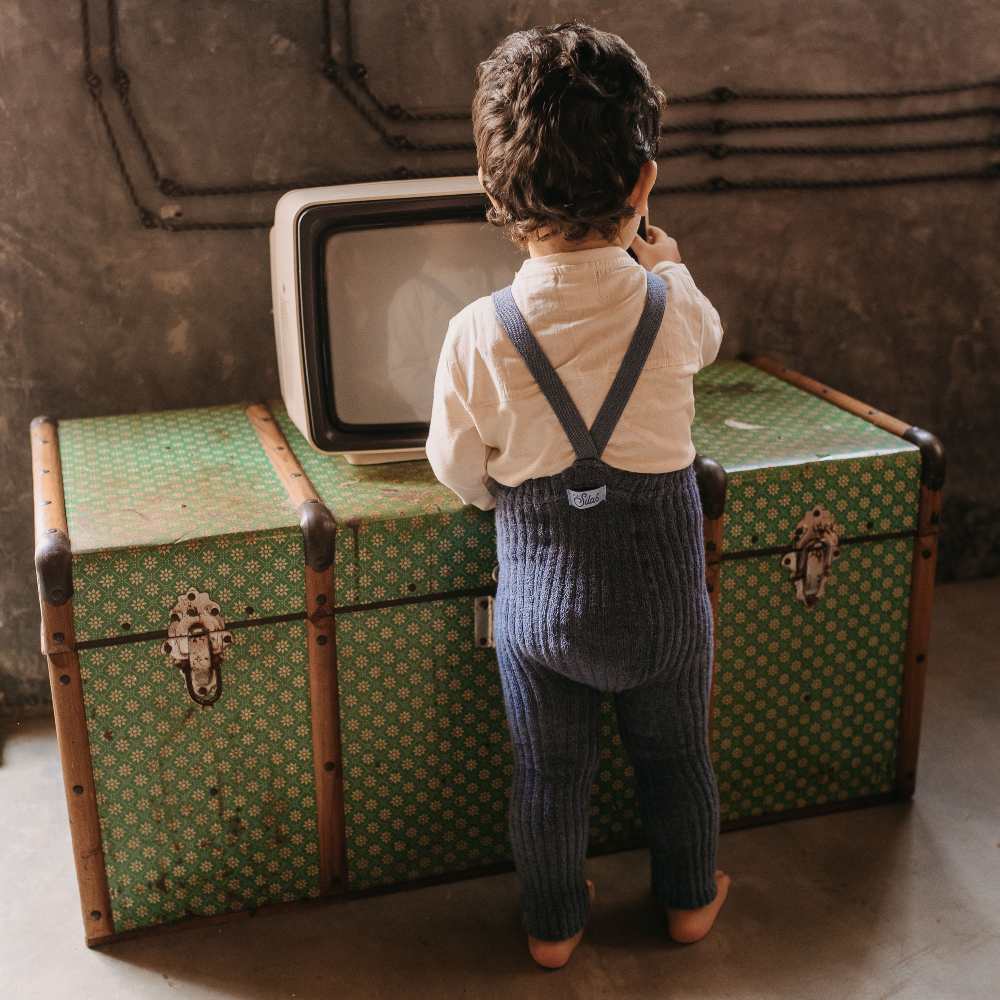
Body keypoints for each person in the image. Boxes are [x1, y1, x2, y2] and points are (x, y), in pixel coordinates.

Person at [425, 20, 730, 970]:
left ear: (493, 192)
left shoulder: (479, 330)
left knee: (549, 776)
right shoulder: (672, 304)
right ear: (643, 186)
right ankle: (687, 903)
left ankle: (553, 929)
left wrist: (503, 491)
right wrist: (665, 259)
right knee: (677, 761)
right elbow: (710, 341)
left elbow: (456, 465)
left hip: (539, 616)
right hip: (667, 614)